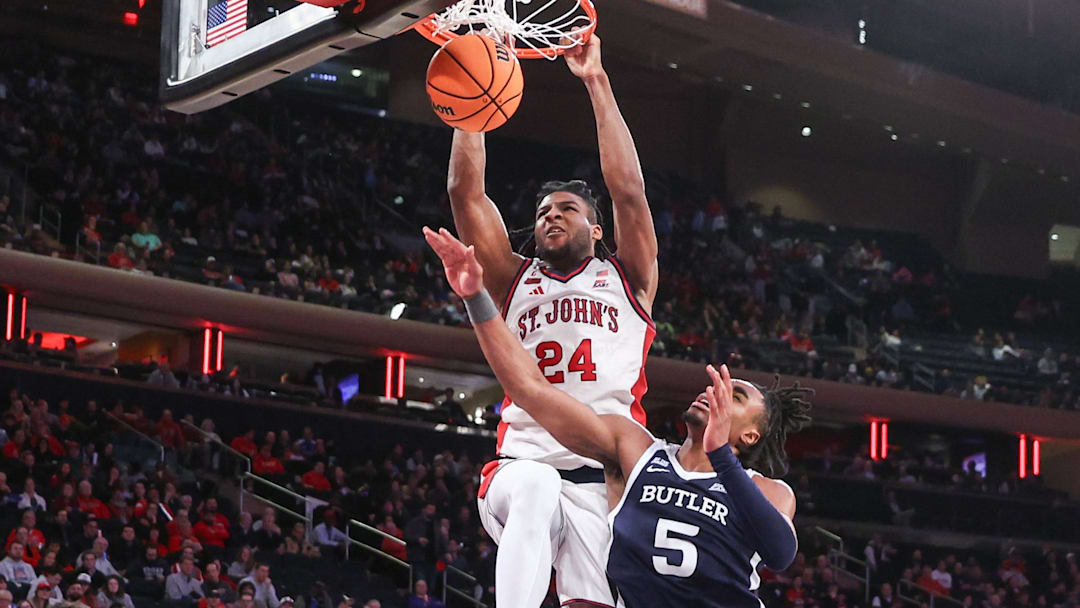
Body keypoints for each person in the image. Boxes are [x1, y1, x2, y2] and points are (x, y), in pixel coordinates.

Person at [426, 227, 810, 606]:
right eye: (719, 386)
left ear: (750, 437)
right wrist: (475, 297)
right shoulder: (636, 451)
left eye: (736, 397)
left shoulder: (768, 491)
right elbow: (531, 389)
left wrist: (721, 458)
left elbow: (778, 553)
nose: (717, 393)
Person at [446, 34, 659, 608]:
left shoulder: (629, 279)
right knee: (538, 485)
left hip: (608, 480)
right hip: (523, 467)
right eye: (543, 212)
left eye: (568, 209)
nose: (551, 216)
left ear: (597, 231)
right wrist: (471, 107)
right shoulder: (513, 279)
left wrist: (596, 81)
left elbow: (629, 192)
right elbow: (467, 196)